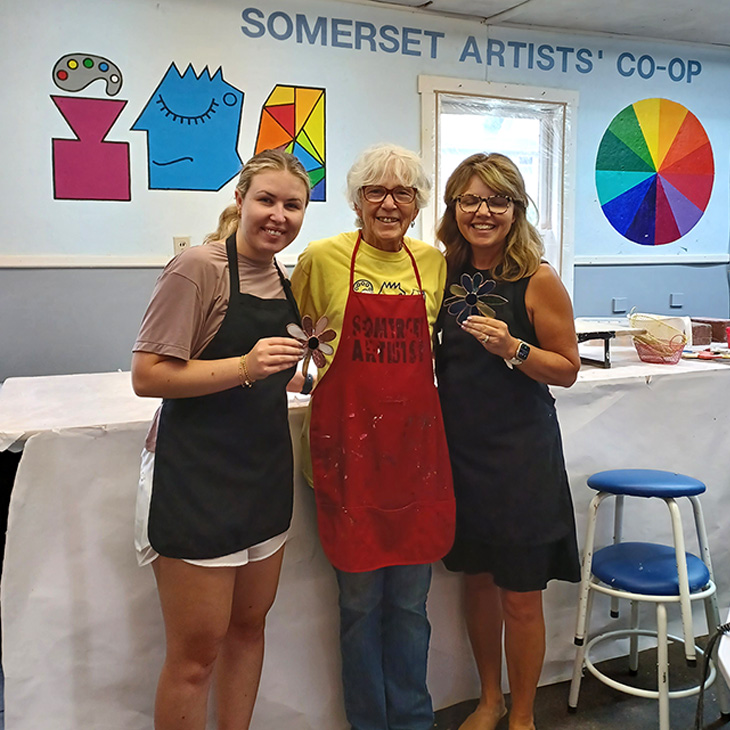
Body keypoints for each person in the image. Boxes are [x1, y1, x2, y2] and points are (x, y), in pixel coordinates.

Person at [131, 149, 311, 730]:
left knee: (248, 629)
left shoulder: (289, 280)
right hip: (198, 479)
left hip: (264, 476)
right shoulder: (196, 268)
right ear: (239, 201)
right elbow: (148, 376)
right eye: (266, 199)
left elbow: (282, 372)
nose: (277, 215)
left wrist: (304, 370)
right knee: (195, 656)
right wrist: (246, 366)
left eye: (293, 204)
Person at [290, 143, 455, 730]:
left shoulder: (432, 263)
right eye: (375, 192)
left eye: (402, 192)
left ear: (416, 205)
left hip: (415, 459)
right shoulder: (320, 258)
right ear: (356, 201)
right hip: (347, 456)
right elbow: (304, 342)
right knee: (359, 607)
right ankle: (368, 723)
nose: (389, 203)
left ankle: (413, 721)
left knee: (411, 606)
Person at [434, 153, 581, 730]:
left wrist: (514, 349)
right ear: (454, 209)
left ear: (517, 209)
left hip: (521, 458)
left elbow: (566, 369)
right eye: (469, 200)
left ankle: (522, 714)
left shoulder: (537, 277)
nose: (482, 212)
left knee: (520, 594)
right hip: (460, 454)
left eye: (497, 201)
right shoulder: (440, 272)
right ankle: (489, 699)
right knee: (476, 581)